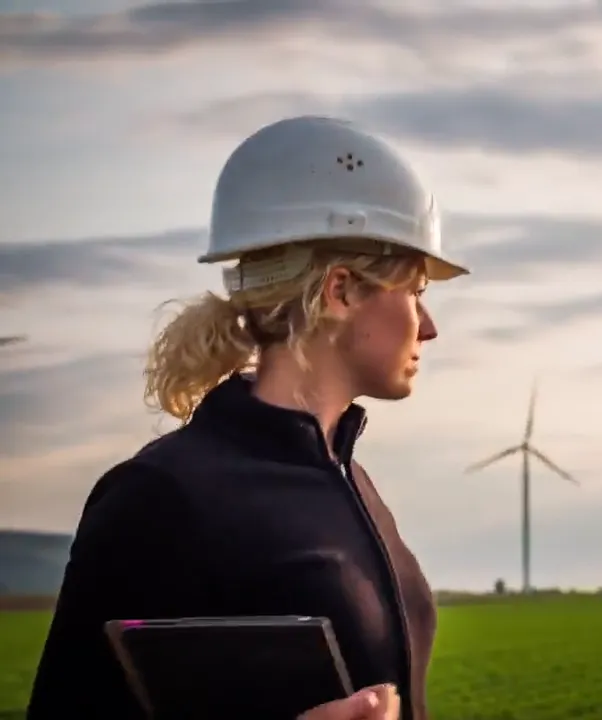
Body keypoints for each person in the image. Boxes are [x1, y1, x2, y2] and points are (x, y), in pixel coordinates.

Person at [25, 115, 469, 720]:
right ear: (340, 292)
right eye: (415, 290)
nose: (430, 326)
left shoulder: (351, 481)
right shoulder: (163, 496)